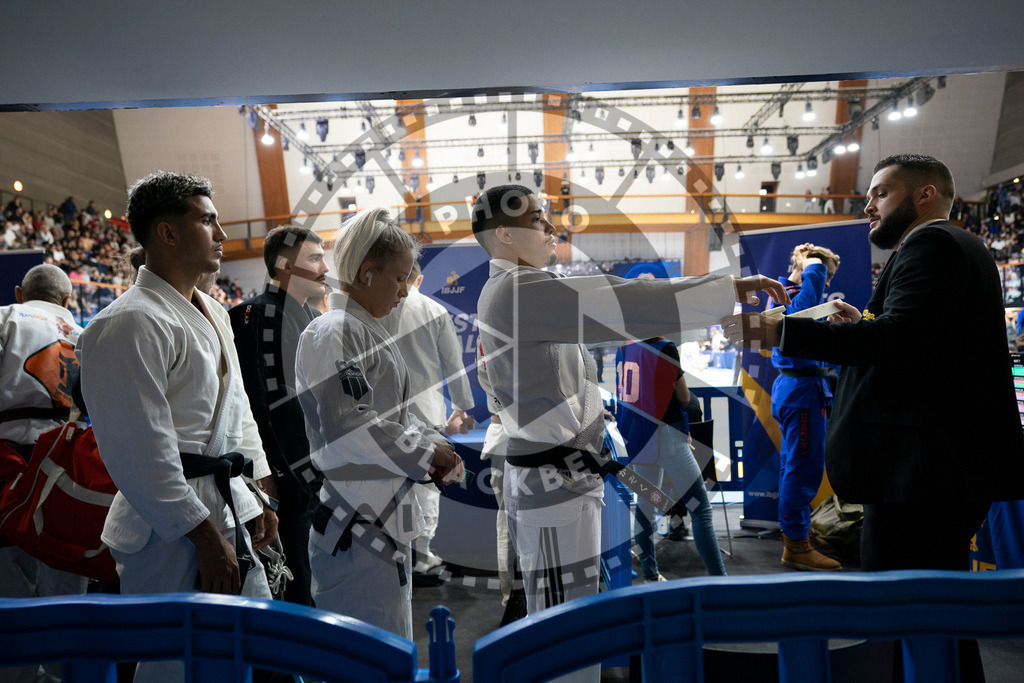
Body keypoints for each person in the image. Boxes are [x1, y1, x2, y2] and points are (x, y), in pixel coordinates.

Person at [723, 154, 1024, 682]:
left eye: (881, 193)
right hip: (934, 471)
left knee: (911, 616)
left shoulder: (932, 244)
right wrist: (862, 322)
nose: (868, 206)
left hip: (922, 476)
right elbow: (922, 343)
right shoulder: (957, 245)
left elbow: (899, 338)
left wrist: (784, 331)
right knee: (936, 619)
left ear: (925, 194)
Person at [471, 184, 788, 683]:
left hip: (567, 479)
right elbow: (619, 301)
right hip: (553, 485)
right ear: (504, 234)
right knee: (561, 633)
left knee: (574, 622)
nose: (551, 228)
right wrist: (725, 290)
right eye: (537, 219)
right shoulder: (515, 291)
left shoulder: (522, 289)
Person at [76, 172, 279, 683]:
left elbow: (237, 410)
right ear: (167, 233)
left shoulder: (214, 312)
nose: (222, 234)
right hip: (167, 527)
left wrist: (258, 492)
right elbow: (137, 449)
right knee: (173, 665)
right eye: (208, 221)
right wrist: (202, 535)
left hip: (228, 504)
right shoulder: (126, 322)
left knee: (242, 653)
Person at [295, 207, 463, 639]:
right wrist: (426, 450)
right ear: (367, 272)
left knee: (390, 640)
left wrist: (432, 442)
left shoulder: (365, 329)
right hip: (357, 523)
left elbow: (392, 416)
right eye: (400, 278)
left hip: (379, 515)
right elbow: (350, 425)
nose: (406, 291)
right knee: (366, 650)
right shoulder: (334, 331)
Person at [229, 225, 328, 606]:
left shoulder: (312, 318)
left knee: (314, 573)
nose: (324, 268)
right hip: (280, 472)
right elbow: (253, 403)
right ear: (286, 266)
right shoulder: (252, 315)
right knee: (292, 578)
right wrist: (262, 473)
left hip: (313, 465)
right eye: (314, 259)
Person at [0, 264, 90, 683]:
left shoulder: (6, 316)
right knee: (64, 578)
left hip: (8, 464)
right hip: (68, 465)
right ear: (67, 300)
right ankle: (60, 673)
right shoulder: (87, 334)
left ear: (20, 292)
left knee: (9, 584)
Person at [382, 260, 475, 577]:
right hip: (428, 411)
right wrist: (461, 406)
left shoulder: (380, 307)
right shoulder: (434, 310)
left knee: (395, 486)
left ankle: (399, 552)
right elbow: (454, 363)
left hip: (388, 412)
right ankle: (422, 555)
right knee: (427, 486)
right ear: (419, 279)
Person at [615, 337, 727, 581]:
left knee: (645, 510)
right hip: (667, 436)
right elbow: (684, 397)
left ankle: (651, 576)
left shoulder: (625, 346)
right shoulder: (664, 347)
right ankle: (720, 582)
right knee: (700, 510)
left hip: (639, 437)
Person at [770, 243, 842, 571]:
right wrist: (814, 265)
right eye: (826, 274)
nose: (827, 282)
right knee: (801, 470)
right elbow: (801, 319)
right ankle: (797, 546)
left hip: (805, 391)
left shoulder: (792, 294)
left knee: (798, 466)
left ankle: (797, 535)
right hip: (800, 393)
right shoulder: (789, 295)